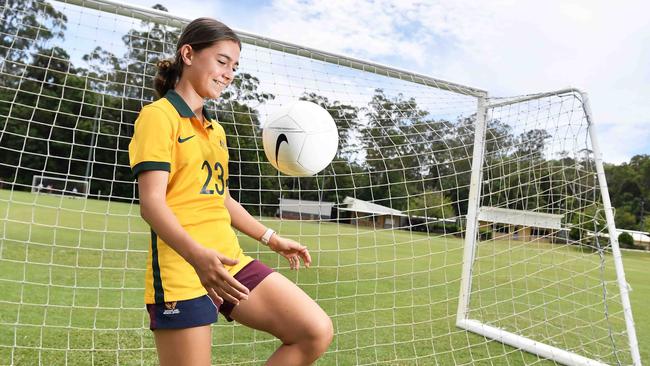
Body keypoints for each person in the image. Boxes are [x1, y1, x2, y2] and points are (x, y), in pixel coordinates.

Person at [128, 17, 333, 366]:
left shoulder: (215, 130)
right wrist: (196, 255)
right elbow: (151, 203)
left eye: (234, 67)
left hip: (230, 262)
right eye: (222, 61)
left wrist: (271, 238)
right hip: (183, 269)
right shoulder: (158, 117)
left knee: (314, 331)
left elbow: (219, 197)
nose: (229, 73)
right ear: (188, 54)